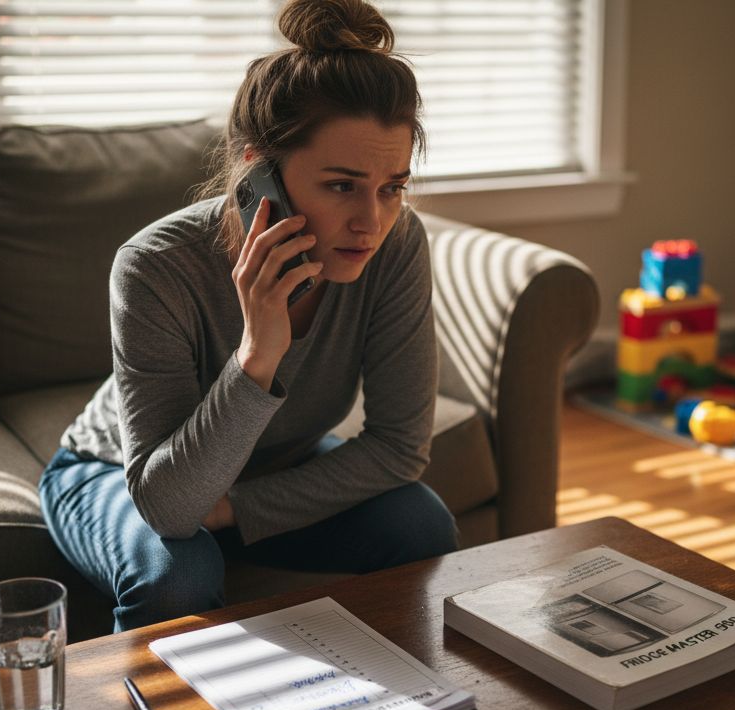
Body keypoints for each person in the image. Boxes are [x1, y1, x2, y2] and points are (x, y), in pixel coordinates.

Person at [39, 0, 458, 632]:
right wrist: (259, 352)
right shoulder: (155, 266)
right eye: (342, 185)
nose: (371, 222)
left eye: (391, 187)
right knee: (177, 575)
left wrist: (236, 507)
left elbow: (400, 448)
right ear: (258, 171)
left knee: (422, 523)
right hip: (115, 474)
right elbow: (170, 508)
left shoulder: (396, 244)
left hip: (267, 467)